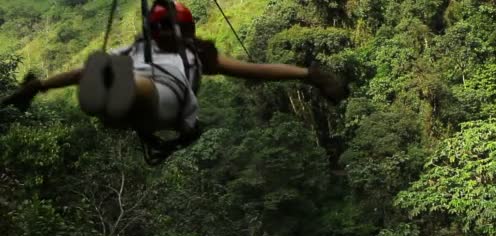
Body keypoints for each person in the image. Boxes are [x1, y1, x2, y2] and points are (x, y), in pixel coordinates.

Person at [1, 0, 348, 164]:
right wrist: (40, 86)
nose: (165, 34)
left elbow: (254, 69)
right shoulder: (136, 48)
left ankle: (117, 90)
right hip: (126, 113)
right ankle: (107, 95)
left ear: (185, 32)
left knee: (135, 84)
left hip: (165, 102)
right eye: (159, 28)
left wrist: (310, 76)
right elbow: (77, 74)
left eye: (171, 28)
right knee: (102, 73)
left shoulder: (196, 55)